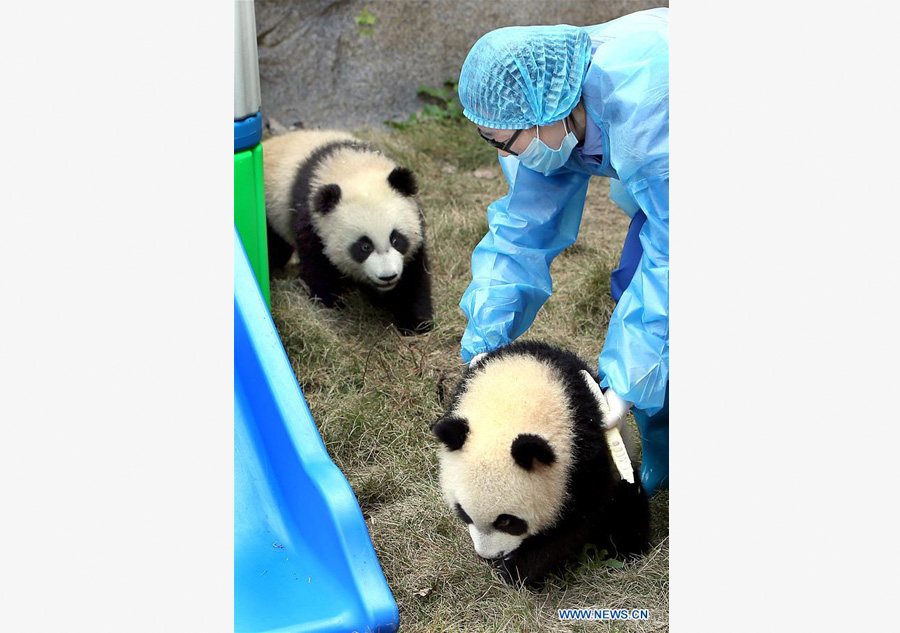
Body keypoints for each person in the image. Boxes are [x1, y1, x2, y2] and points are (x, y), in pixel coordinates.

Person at [456, 8, 669, 494]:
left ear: (544, 109)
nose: (508, 155)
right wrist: (487, 334)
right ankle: (665, 446)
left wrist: (629, 375)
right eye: (494, 142)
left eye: (508, 141)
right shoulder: (544, 121)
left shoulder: (641, 107)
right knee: (633, 285)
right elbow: (522, 229)